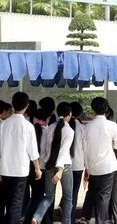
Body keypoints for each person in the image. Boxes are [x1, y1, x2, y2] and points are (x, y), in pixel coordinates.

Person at [0, 92, 42, 224]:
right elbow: (33, 151)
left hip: (4, 169)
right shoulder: (28, 126)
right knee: (16, 203)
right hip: (20, 170)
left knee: (5, 200)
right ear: (27, 106)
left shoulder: (3, 125)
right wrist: (37, 168)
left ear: (12, 104)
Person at [32, 102, 74, 224]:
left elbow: (44, 149)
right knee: (68, 198)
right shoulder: (69, 130)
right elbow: (64, 151)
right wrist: (60, 170)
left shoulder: (50, 127)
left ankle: (37, 217)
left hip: (50, 165)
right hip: (64, 167)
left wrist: (44, 165)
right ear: (69, 113)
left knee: (49, 197)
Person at [83, 97, 117, 224]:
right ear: (106, 109)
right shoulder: (112, 125)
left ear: (93, 110)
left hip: (93, 166)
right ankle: (101, 220)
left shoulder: (87, 127)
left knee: (94, 191)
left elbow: (85, 149)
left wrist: (87, 167)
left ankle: (88, 216)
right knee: (104, 195)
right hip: (108, 166)